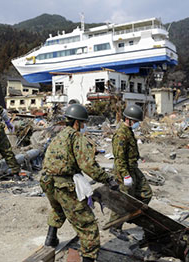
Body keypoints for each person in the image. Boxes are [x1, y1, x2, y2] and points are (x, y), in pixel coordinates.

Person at [40, 104, 119, 262]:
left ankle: (51, 239)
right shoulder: (77, 137)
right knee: (88, 226)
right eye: (82, 123)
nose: (83, 127)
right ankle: (88, 259)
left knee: (58, 208)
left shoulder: (59, 136)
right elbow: (87, 165)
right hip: (63, 185)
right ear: (77, 123)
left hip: (47, 182)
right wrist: (108, 179)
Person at [108, 104, 153, 241]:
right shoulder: (121, 134)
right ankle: (115, 226)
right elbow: (119, 158)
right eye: (136, 121)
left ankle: (131, 214)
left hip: (134, 168)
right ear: (128, 119)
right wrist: (125, 175)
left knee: (146, 193)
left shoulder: (128, 131)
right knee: (123, 201)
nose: (137, 124)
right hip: (124, 171)